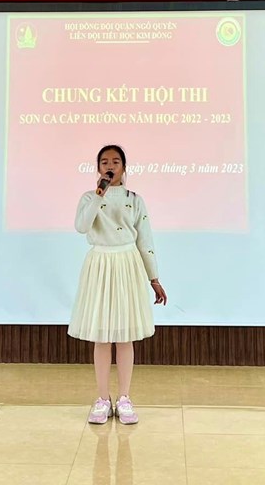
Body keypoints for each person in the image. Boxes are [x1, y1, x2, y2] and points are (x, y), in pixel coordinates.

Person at [68, 144, 167, 425]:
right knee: (102, 335)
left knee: (125, 335)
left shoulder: (135, 200)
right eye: (104, 162)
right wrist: (99, 195)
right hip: (100, 263)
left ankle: (124, 398)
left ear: (124, 167)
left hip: (126, 263)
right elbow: (81, 227)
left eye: (115, 161)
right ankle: (102, 399)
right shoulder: (89, 197)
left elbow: (145, 240)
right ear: (98, 168)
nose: (110, 166)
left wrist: (154, 278)